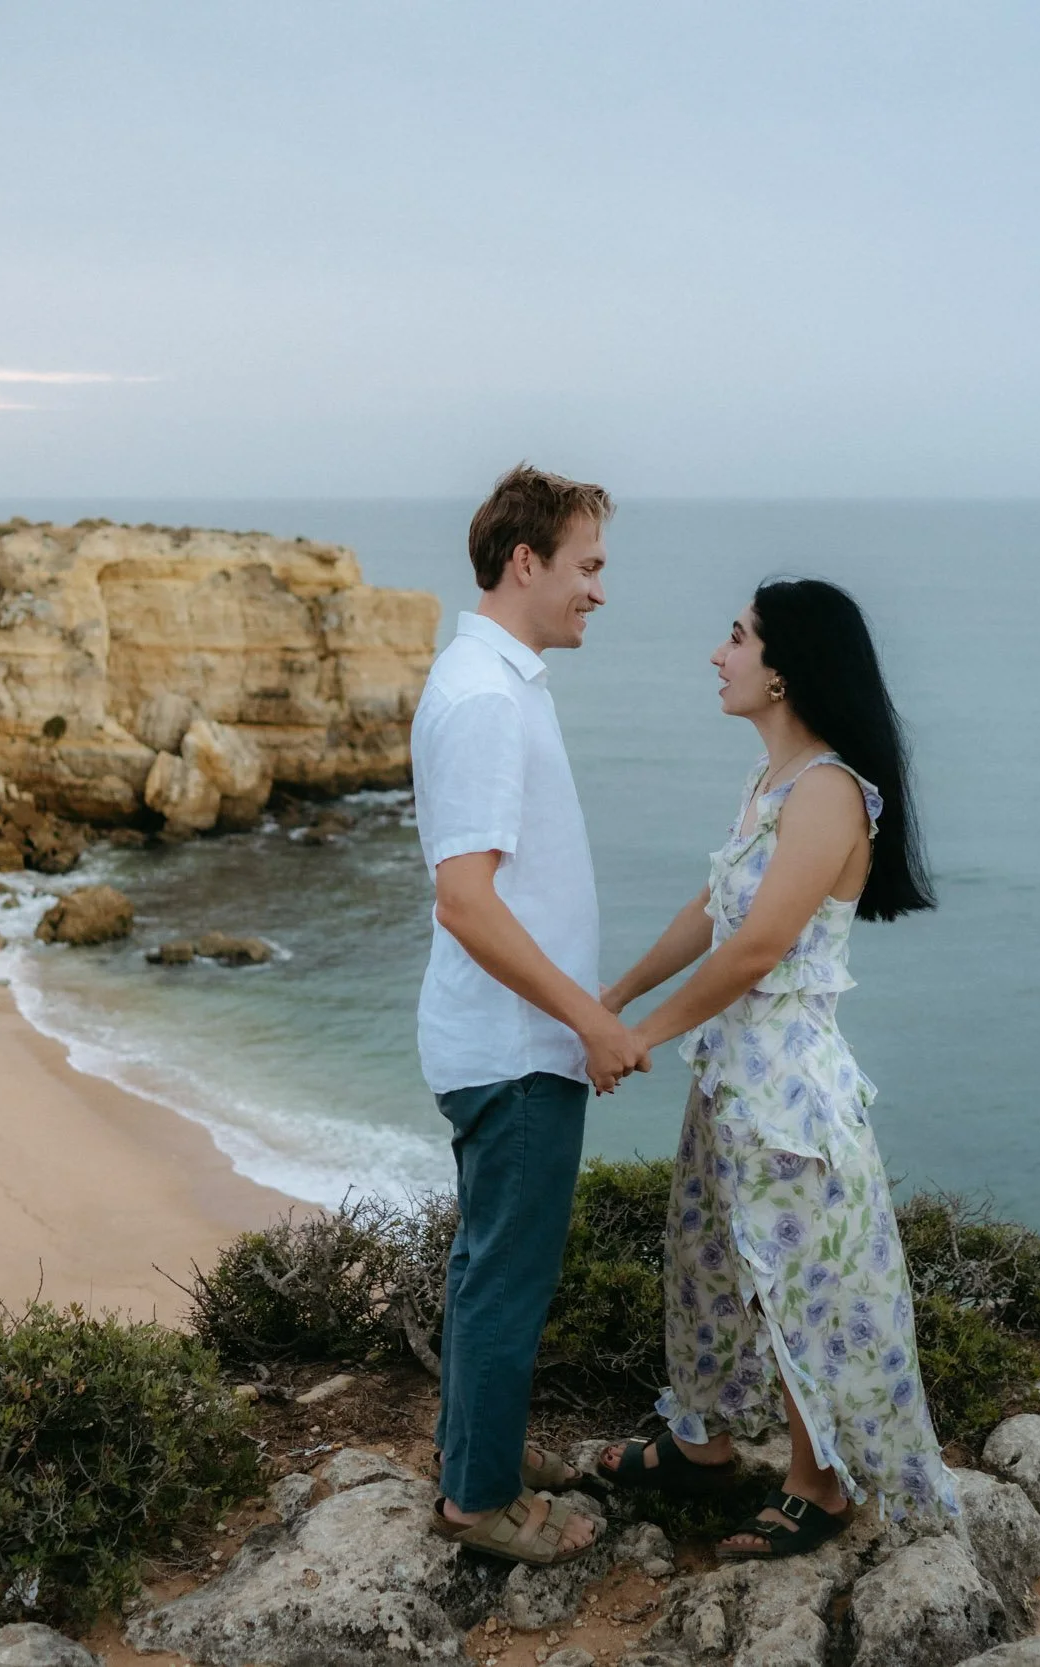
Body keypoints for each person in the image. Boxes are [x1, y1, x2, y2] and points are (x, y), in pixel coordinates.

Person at [594, 577, 959, 1558]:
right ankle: (702, 1442)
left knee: (794, 1283)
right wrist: (615, 995)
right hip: (733, 1076)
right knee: (711, 1261)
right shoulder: (767, 787)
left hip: (788, 1092)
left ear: (783, 668)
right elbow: (710, 911)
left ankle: (820, 1485)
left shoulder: (832, 792)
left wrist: (643, 1035)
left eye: (735, 638)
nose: (718, 655)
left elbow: (758, 948)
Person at [415, 464, 647, 1567]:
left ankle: (479, 1458)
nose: (598, 589)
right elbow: (465, 900)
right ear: (527, 561)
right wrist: (587, 1021)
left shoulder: (496, 682)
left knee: (488, 1266)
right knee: (509, 1272)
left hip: (514, 1039)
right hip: (514, 1049)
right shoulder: (484, 697)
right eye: (587, 564)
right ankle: (480, 1502)